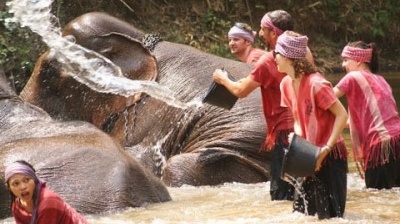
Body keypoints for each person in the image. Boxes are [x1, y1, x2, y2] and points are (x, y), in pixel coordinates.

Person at [213, 9, 296, 201]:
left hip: (283, 131)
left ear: (274, 33)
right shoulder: (302, 52)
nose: (259, 33)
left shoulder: (267, 60)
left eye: (263, 29)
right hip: (304, 127)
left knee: (280, 196)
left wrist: (222, 78)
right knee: (300, 190)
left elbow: (241, 91)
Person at [276, 31, 348, 219]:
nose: (274, 57)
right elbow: (298, 119)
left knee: (332, 217)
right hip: (306, 154)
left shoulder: (317, 84)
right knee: (301, 215)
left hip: (330, 154)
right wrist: (298, 140)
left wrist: (325, 148)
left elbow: (342, 115)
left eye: (276, 53)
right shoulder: (285, 83)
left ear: (288, 57)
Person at [333, 41, 400, 189]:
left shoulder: (353, 76)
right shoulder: (381, 80)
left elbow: (326, 97)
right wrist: (337, 121)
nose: (343, 65)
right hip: (397, 141)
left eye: (345, 60)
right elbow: (366, 120)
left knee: (376, 194)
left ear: (358, 61)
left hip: (381, 147)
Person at [5, 160, 88, 224]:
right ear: (9, 187)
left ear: (34, 180)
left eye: (27, 180)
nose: (23, 187)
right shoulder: (16, 206)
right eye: (16, 183)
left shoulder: (48, 201)